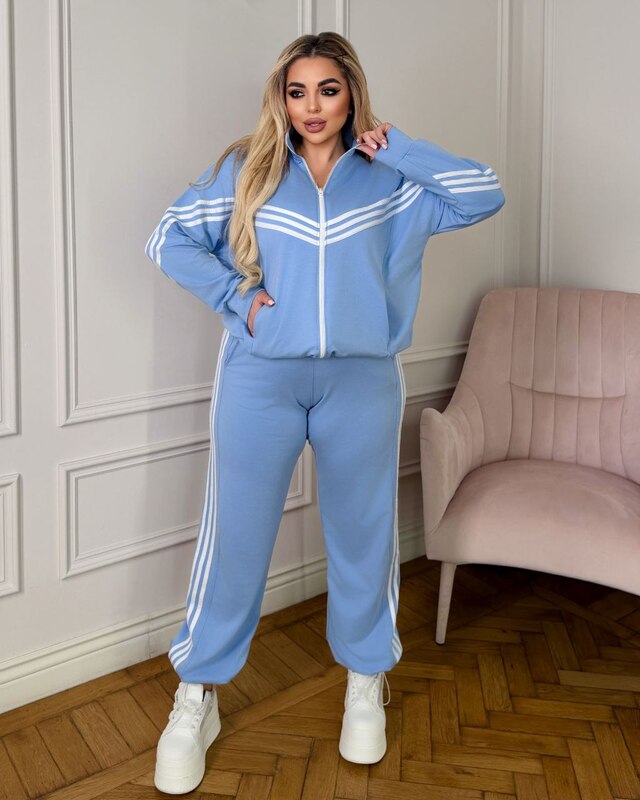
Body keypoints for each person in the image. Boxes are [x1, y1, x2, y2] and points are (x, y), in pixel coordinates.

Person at [145, 31, 505, 795]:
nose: (312, 106)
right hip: (260, 379)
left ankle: (365, 681)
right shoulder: (247, 170)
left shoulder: (391, 178)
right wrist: (238, 298)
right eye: (298, 90)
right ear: (281, 98)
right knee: (235, 538)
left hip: (362, 380)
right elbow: (167, 239)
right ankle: (197, 693)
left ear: (352, 95)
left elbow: (484, 192)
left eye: (328, 90)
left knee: (364, 535)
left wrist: (399, 147)